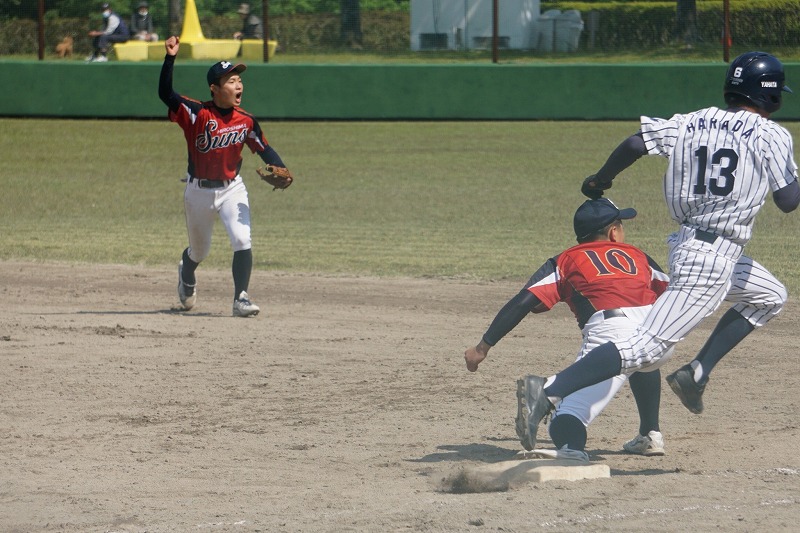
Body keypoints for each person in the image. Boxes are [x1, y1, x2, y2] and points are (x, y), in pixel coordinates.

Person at [517, 51, 800, 450]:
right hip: (712, 259)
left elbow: (636, 142)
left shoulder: (693, 120)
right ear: (771, 95)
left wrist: (601, 179)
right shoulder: (771, 134)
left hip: (693, 245)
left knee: (769, 296)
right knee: (647, 349)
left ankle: (697, 372)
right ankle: (549, 389)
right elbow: (788, 200)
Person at [465, 198, 672, 461]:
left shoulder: (565, 260)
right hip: (658, 336)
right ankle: (650, 435)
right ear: (613, 232)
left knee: (569, 414)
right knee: (643, 359)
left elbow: (522, 303)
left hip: (610, 337)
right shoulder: (639, 255)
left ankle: (565, 435)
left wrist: (482, 347)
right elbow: (671, 292)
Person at [158, 35, 294, 317]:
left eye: (239, 80)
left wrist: (281, 167)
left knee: (242, 239)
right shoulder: (196, 113)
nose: (238, 84)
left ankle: (240, 298)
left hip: (233, 188)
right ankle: (187, 271)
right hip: (198, 192)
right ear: (215, 88)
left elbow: (264, 149)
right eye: (231, 81)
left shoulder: (245, 120)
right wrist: (170, 57)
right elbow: (165, 94)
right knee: (199, 251)